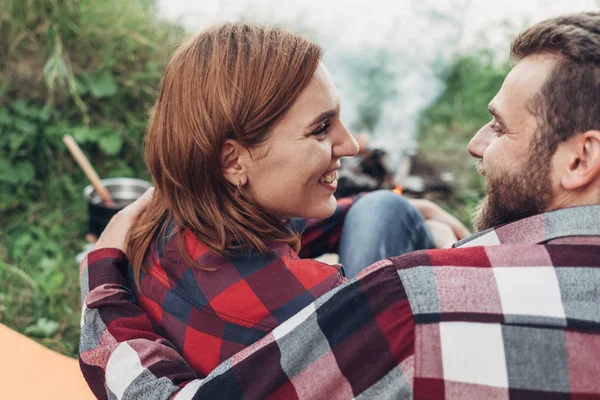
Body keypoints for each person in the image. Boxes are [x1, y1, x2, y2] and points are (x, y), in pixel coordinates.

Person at [81, 10, 600, 398]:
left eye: (501, 126)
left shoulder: (160, 226)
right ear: (234, 162)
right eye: (322, 128)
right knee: (386, 207)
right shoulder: (382, 300)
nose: (352, 145)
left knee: (384, 207)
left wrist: (101, 279)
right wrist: (431, 228)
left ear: (580, 159)